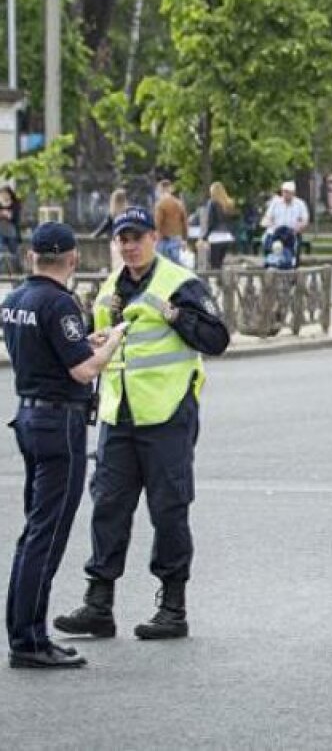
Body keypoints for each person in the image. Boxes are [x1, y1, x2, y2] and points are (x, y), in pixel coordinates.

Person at [54, 207, 230, 643]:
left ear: (154, 237)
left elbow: (217, 339)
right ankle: (99, 605)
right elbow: (102, 349)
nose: (129, 245)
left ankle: (172, 607)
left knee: (169, 509)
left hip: (167, 414)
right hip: (119, 415)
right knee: (108, 507)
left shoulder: (179, 282)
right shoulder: (109, 290)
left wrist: (174, 315)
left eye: (136, 237)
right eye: (122, 239)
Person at [4, 223, 126, 668]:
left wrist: (81, 344)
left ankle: (23, 632)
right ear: (73, 259)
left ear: (32, 257)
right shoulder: (60, 302)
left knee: (33, 531)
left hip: (30, 415)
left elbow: (51, 351)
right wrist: (110, 340)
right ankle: (30, 641)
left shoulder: (16, 299)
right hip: (59, 424)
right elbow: (83, 371)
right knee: (48, 534)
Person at [261, 180, 310, 264]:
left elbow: (305, 221)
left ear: (293, 193)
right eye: (284, 191)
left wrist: (299, 227)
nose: (285, 194)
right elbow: (266, 219)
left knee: (292, 247)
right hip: (275, 233)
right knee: (267, 240)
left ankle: (290, 264)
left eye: (288, 192)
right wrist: (269, 223)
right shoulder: (275, 203)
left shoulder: (300, 204)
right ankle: (269, 262)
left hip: (290, 233)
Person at [198, 181, 237, 270]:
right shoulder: (229, 203)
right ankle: (222, 282)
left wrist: (204, 237)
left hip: (216, 236)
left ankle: (216, 282)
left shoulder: (212, 203)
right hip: (227, 236)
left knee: (214, 264)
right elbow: (233, 221)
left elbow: (210, 222)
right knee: (220, 262)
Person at [92, 188, 128, 273]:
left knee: (116, 266)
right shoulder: (128, 213)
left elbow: (103, 228)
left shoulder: (112, 215)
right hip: (126, 242)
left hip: (115, 242)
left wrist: (94, 235)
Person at [153, 179, 188, 265]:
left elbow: (157, 223)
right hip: (177, 237)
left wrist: (155, 237)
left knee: (161, 264)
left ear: (160, 190)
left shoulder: (160, 204)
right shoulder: (179, 203)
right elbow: (185, 222)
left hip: (163, 239)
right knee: (175, 264)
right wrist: (184, 239)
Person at [0, 186, 22, 273]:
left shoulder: (15, 205)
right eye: (2, 194)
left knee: (14, 254)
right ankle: (3, 272)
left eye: (5, 194)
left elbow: (15, 218)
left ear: (10, 194)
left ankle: (17, 272)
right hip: (1, 232)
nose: (4, 196)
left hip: (11, 233)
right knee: (1, 252)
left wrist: (8, 215)